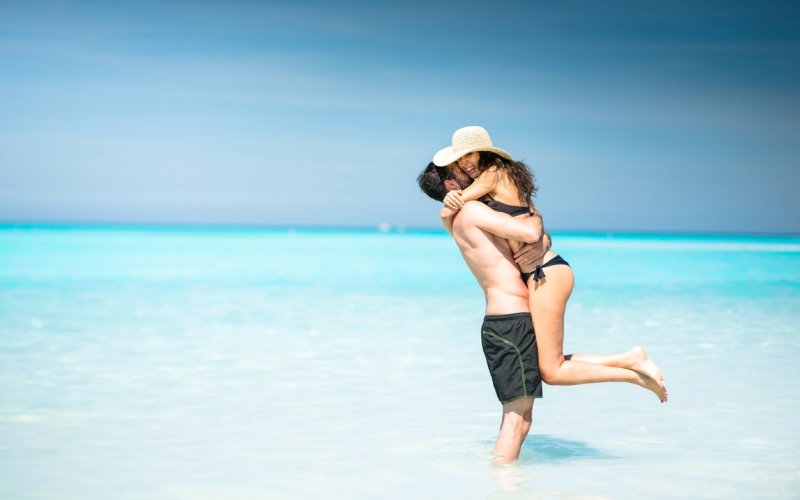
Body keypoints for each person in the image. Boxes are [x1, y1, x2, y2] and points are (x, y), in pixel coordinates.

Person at [432, 126, 668, 403]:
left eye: (468, 156)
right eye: (460, 160)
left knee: (552, 371)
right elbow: (531, 218)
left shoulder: (492, 174)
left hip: (546, 272)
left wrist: (448, 204)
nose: (465, 163)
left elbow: (467, 206)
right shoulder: (501, 184)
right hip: (542, 272)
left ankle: (634, 375)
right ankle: (630, 359)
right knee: (550, 364)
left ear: (483, 153)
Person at [418, 161, 547, 463]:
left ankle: (504, 485)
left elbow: (521, 242)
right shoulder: (473, 212)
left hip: (503, 324)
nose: (474, 170)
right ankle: (504, 485)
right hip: (511, 322)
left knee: (517, 419)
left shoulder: (460, 217)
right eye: (460, 170)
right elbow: (530, 230)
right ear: (451, 185)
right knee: (518, 421)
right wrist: (537, 220)